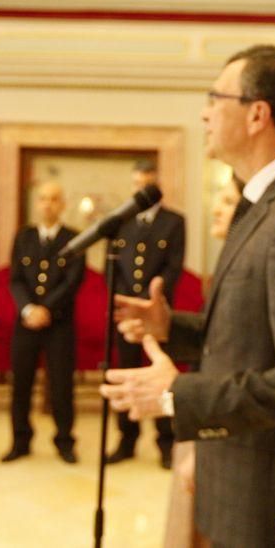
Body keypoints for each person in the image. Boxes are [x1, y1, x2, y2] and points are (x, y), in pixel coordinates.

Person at [101, 45, 275, 547]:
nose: (204, 113)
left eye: (215, 98)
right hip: (231, 475)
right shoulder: (263, 202)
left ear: (257, 114)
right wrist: (169, 327)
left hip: (262, 492)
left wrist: (179, 394)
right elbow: (252, 333)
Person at [163, 175, 242, 548]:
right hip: (202, 409)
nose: (215, 208)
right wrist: (166, 324)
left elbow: (234, 360)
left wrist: (199, 445)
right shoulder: (228, 259)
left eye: (227, 201)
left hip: (215, 414)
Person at [106, 159, 186, 469]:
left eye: (147, 185)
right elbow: (111, 267)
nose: (142, 190)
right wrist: (125, 304)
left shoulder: (173, 222)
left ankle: (165, 442)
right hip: (126, 315)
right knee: (126, 374)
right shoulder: (121, 222)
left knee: (159, 373)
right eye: (137, 185)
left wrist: (150, 303)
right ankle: (126, 439)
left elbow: (173, 267)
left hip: (156, 314)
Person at [2, 180, 86, 464]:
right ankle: (20, 441)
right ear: (36, 203)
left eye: (54, 199)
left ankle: (64, 441)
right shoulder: (23, 237)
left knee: (62, 385)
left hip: (59, 322)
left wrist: (46, 309)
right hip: (26, 322)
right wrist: (28, 309)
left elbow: (72, 281)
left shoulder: (74, 238)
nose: (47, 204)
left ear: (63, 204)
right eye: (43, 199)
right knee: (21, 383)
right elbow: (15, 279)